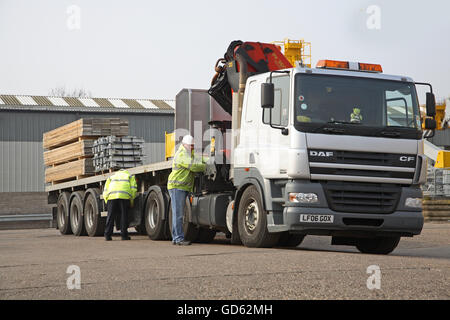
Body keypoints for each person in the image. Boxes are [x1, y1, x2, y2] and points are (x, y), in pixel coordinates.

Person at [168, 135, 206, 245]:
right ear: (184, 145)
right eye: (191, 145)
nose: (192, 147)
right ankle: (178, 238)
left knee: (178, 213)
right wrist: (205, 166)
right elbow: (194, 166)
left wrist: (209, 159)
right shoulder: (181, 154)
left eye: (193, 146)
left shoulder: (189, 153)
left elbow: (198, 159)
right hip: (177, 187)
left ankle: (176, 239)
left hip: (182, 187)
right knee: (178, 214)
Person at [103, 169, 137, 241]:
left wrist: (107, 201)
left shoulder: (111, 177)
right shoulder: (130, 176)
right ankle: (124, 236)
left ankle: (107, 235)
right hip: (124, 196)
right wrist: (131, 201)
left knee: (110, 216)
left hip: (111, 197)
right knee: (124, 216)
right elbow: (133, 190)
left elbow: (105, 190)